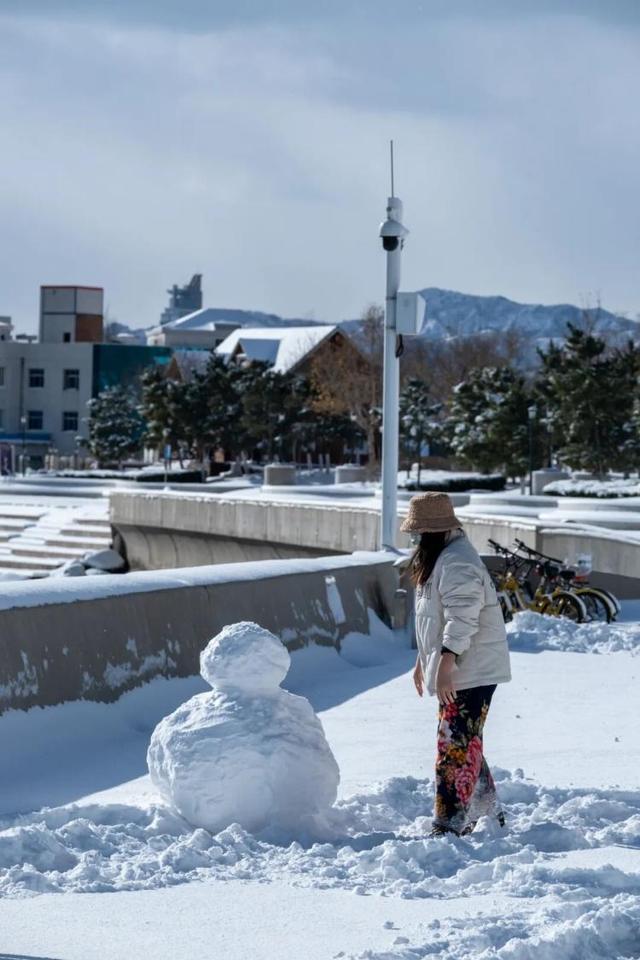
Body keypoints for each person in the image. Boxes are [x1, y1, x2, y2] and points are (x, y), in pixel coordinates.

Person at [400, 491, 511, 837]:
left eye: (419, 532)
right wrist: (424, 661)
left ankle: (447, 824)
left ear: (432, 531)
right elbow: (434, 619)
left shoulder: (456, 561)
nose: (415, 539)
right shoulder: (444, 558)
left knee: (454, 744)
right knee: (464, 739)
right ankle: (488, 812)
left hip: (470, 668)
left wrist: (446, 663)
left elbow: (463, 618)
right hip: (463, 665)